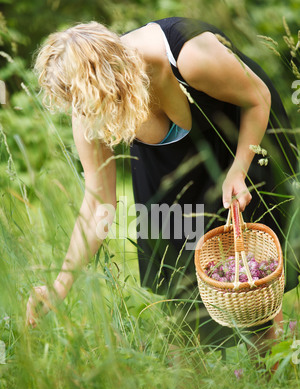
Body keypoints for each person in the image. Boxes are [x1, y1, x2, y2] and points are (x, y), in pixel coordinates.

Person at [27, 17, 299, 357]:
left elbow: (257, 97)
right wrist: (60, 284)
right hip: (169, 166)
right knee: (178, 292)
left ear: (117, 80)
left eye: (91, 104)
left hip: (239, 137)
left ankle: (269, 374)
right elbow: (99, 202)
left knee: (249, 280)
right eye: (79, 108)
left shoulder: (190, 57)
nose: (85, 116)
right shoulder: (86, 104)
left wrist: (237, 171)